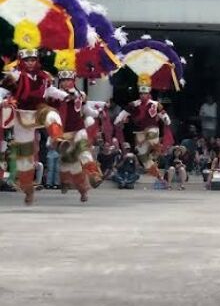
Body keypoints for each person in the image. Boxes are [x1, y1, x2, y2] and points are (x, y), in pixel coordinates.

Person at [1, 48, 66, 204]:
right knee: (25, 155)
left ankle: (58, 139)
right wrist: (2, 102)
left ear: (37, 61)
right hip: (21, 115)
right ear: (22, 61)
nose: (30, 63)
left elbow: (51, 91)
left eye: (33, 60)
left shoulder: (44, 77)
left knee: (52, 114)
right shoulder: (14, 76)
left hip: (38, 110)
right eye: (27, 60)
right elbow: (2, 91)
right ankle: (28, 188)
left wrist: (66, 96)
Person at [48, 68, 107, 201]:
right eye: (63, 80)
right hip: (62, 134)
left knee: (84, 152)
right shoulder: (54, 95)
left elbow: (86, 110)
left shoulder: (81, 95)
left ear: (73, 81)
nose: (66, 83)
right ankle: (78, 188)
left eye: (69, 80)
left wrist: (98, 114)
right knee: (71, 163)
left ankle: (94, 176)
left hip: (79, 129)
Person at [113, 80, 171, 179]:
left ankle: (156, 152)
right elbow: (124, 113)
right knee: (142, 155)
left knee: (152, 137)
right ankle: (157, 174)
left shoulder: (156, 104)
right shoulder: (133, 104)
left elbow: (164, 115)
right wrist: (118, 120)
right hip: (139, 132)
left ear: (148, 94)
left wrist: (166, 120)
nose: (143, 95)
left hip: (152, 129)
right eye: (141, 93)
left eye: (145, 93)